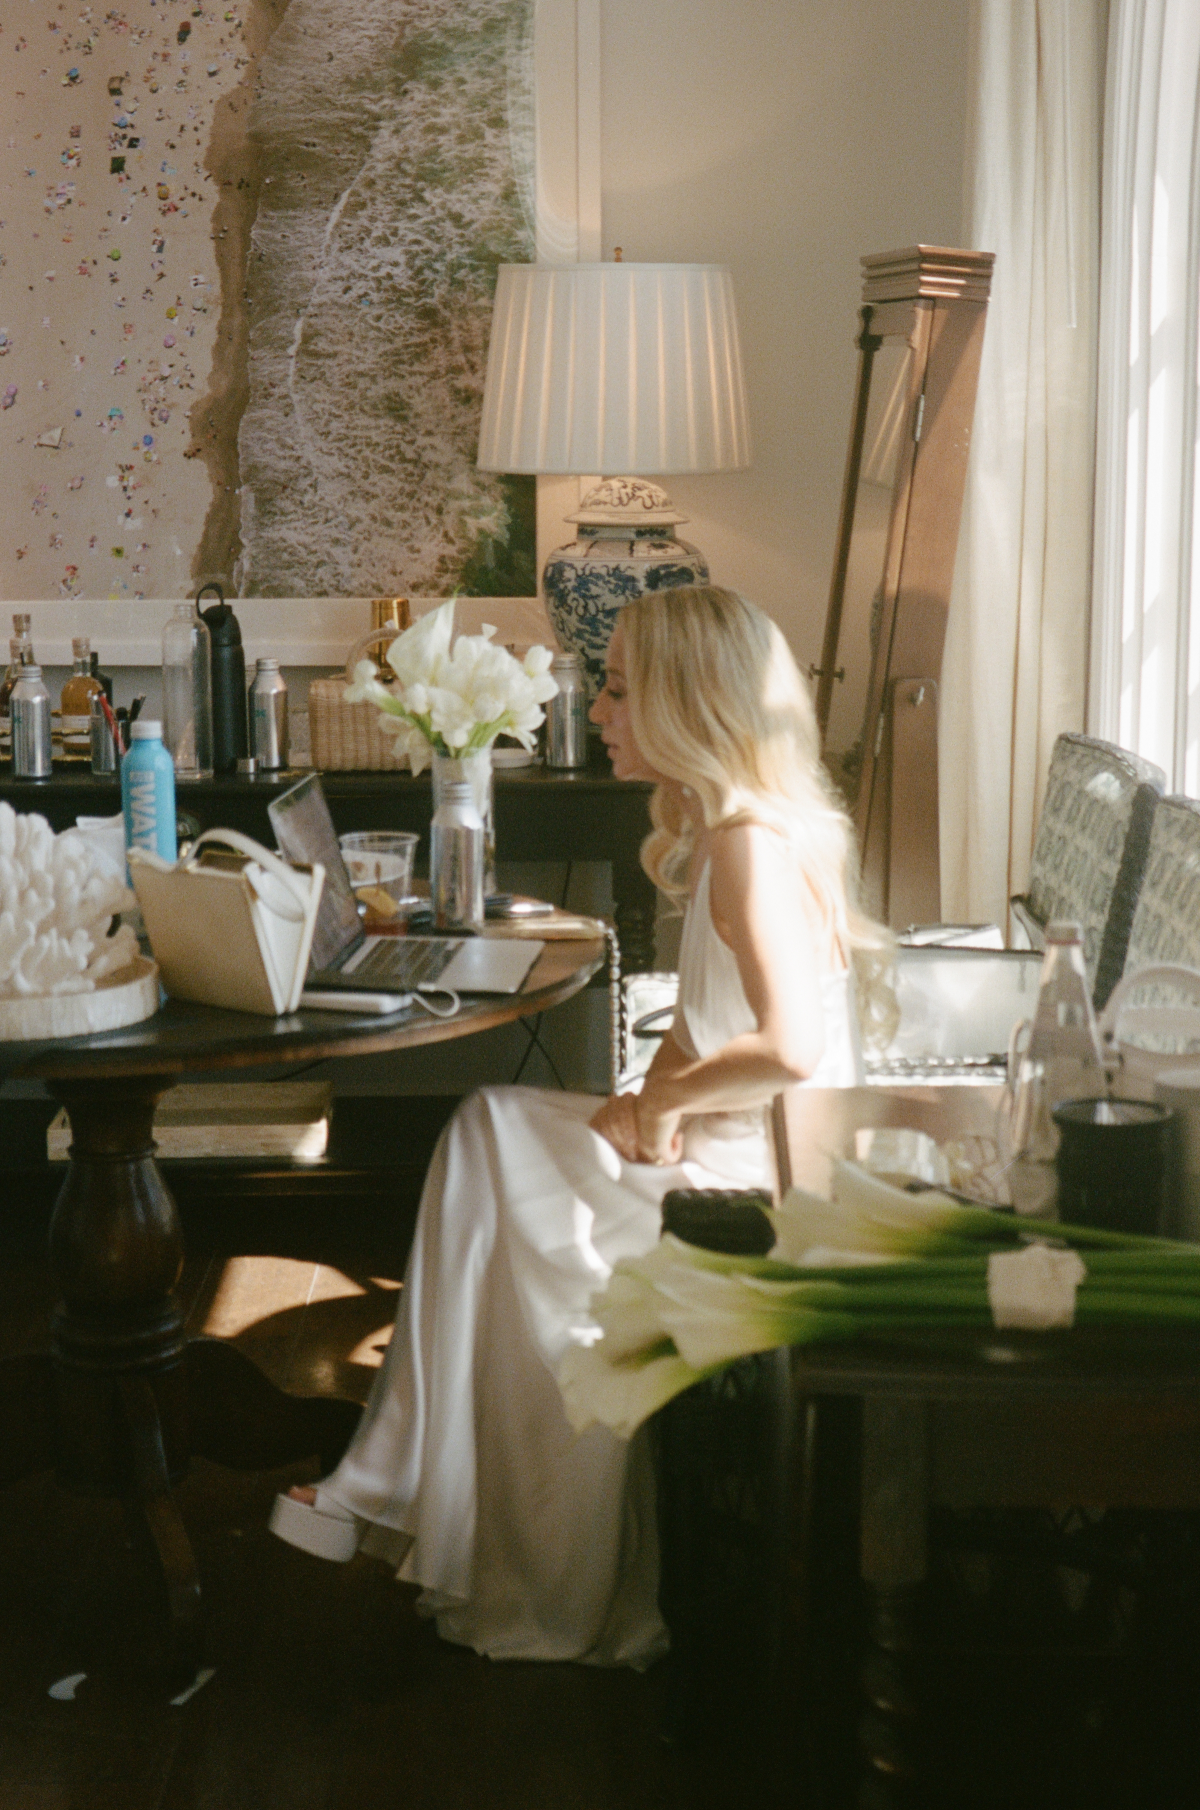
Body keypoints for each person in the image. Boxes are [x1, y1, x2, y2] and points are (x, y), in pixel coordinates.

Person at [269, 585, 892, 1669]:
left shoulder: (749, 845)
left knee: (490, 1138)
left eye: (617, 688)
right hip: (731, 1152)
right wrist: (647, 1096)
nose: (595, 710)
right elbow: (707, 1023)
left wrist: (659, 1107)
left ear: (688, 701)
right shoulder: (735, 831)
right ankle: (398, 1478)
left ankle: (404, 1484)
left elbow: (792, 1049)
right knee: (491, 1134)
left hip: (758, 1197)